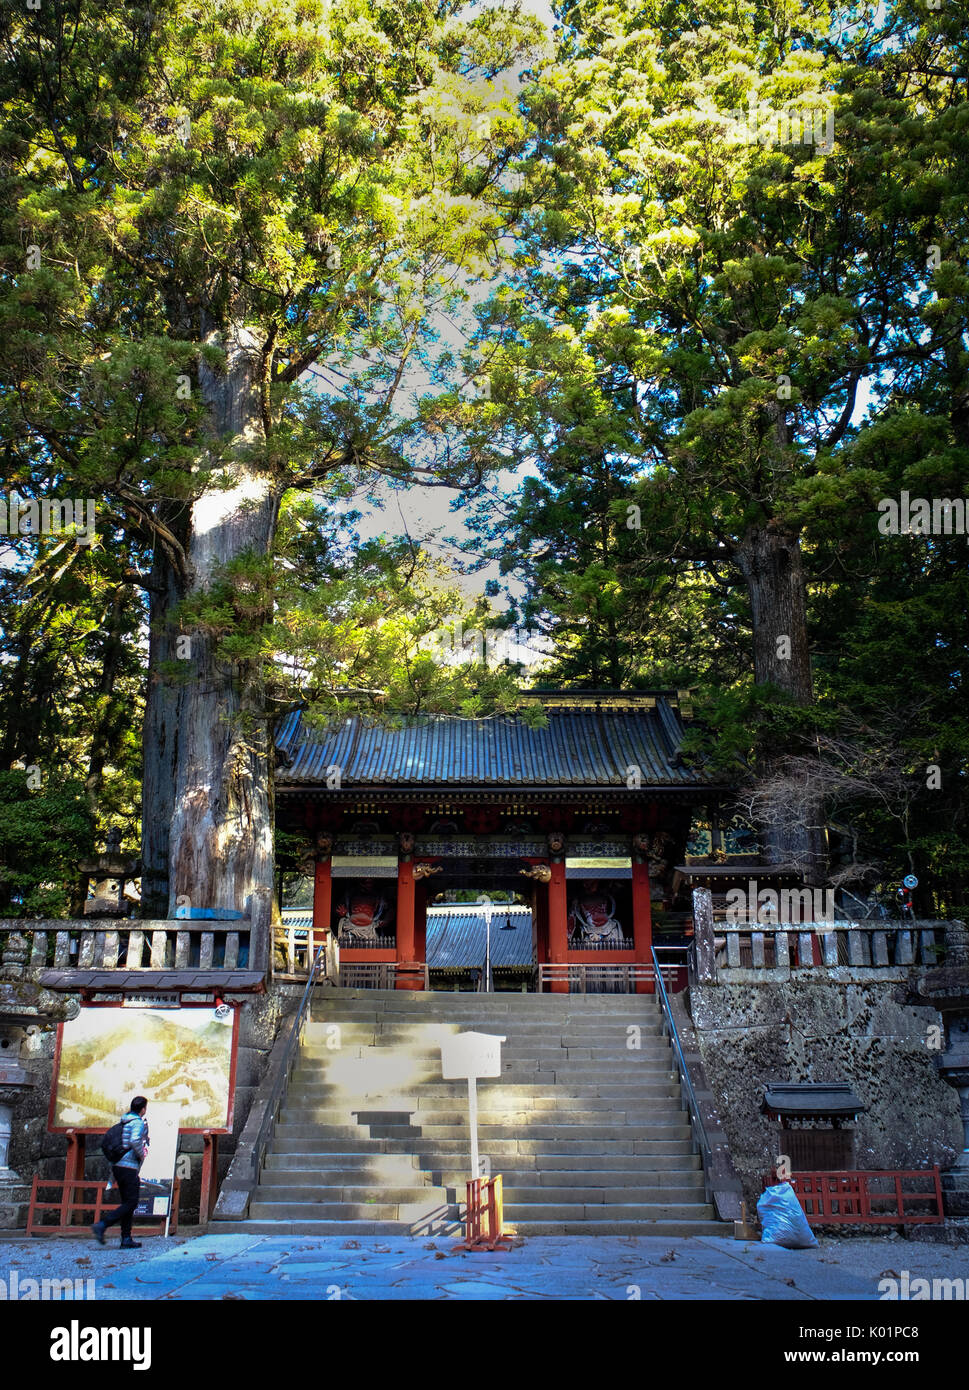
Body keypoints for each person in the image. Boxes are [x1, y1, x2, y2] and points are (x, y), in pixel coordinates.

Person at [91, 1095, 149, 1249]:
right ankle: (103, 1224)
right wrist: (142, 1154)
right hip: (128, 1166)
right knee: (131, 1202)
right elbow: (135, 1140)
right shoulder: (137, 1122)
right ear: (143, 1109)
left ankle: (126, 1238)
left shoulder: (124, 1121)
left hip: (117, 1166)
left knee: (127, 1202)